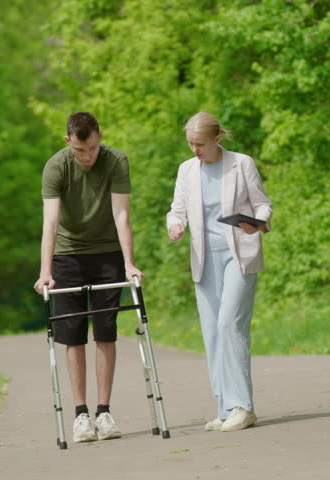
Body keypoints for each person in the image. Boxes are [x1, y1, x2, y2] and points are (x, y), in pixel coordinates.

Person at [33, 112, 144, 443]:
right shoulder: (56, 167)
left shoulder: (115, 161)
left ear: (100, 137)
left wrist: (129, 264)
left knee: (106, 331)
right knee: (73, 335)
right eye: (81, 150)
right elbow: (50, 222)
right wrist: (46, 272)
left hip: (107, 252)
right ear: (69, 142)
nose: (88, 156)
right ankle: (81, 414)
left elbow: (121, 214)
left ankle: (104, 411)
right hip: (67, 254)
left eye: (93, 148)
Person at [166, 112, 272, 432]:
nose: (194, 150)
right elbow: (177, 209)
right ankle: (225, 407)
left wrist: (258, 223)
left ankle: (243, 406)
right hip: (205, 259)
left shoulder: (242, 164)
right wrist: (175, 225)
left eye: (199, 144)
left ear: (217, 139)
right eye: (190, 144)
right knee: (212, 333)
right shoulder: (187, 170)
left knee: (229, 324)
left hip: (239, 254)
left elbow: (262, 205)